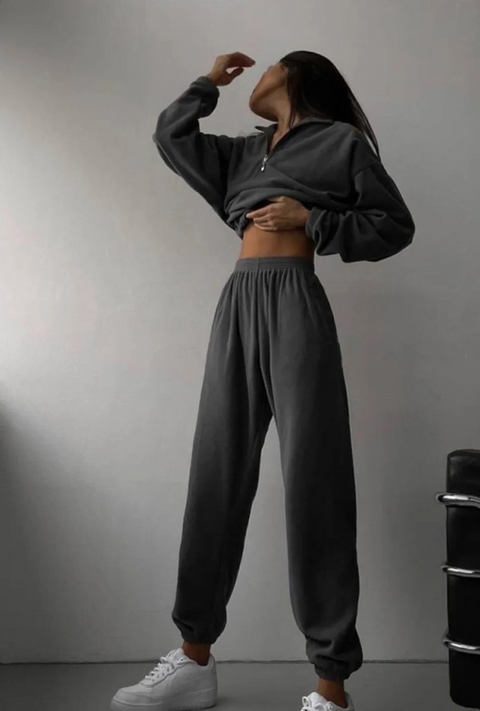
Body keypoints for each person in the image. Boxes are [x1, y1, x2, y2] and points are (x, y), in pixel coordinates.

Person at [111, 50, 415, 711]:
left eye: (267, 67)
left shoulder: (340, 144)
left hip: (296, 301)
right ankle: (194, 657)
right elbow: (170, 135)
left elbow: (394, 225)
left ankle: (330, 685)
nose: (256, 76)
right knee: (215, 472)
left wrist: (312, 220)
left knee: (314, 478)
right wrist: (207, 83)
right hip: (238, 303)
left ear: (296, 75)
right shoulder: (241, 154)